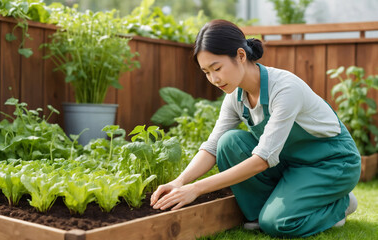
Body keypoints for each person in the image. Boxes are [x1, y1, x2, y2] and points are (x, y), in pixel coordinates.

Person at [150, 19, 361, 238]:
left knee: (277, 224)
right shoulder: (234, 96)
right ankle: (263, 213)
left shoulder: (285, 89)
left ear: (241, 56)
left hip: (330, 164)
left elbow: (262, 159)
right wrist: (180, 181)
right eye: (206, 72)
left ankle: (340, 204)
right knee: (228, 142)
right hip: (290, 162)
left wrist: (196, 189)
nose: (214, 79)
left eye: (217, 68)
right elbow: (212, 147)